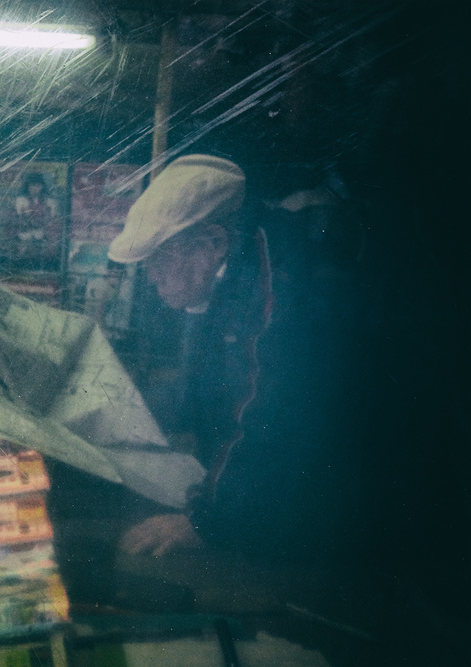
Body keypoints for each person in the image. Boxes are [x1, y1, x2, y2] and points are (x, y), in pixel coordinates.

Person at [48, 154, 372, 612]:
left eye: (158, 260)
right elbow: (202, 377)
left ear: (212, 243)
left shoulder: (277, 282)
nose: (151, 277)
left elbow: (265, 412)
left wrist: (205, 523)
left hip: (322, 521)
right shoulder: (231, 262)